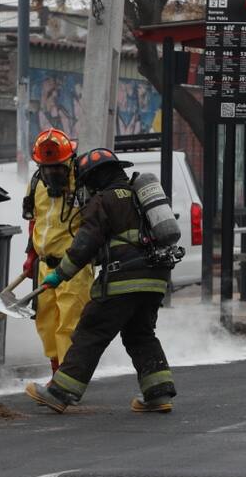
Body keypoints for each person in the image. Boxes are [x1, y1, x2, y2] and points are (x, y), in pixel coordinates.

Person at [25, 148, 177, 414]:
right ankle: (158, 393)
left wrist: (60, 274)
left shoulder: (102, 201)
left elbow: (84, 244)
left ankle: (60, 393)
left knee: (90, 332)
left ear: (97, 177)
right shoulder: (138, 195)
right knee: (140, 334)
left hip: (122, 280)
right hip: (155, 279)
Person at [22, 128, 93, 374]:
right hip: (45, 265)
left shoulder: (84, 184)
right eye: (46, 168)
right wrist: (31, 255)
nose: (52, 173)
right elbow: (35, 221)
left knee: (70, 325)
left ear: (69, 161)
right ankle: (57, 372)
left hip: (73, 267)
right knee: (46, 322)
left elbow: (94, 225)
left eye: (57, 168)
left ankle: (67, 378)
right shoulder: (35, 184)